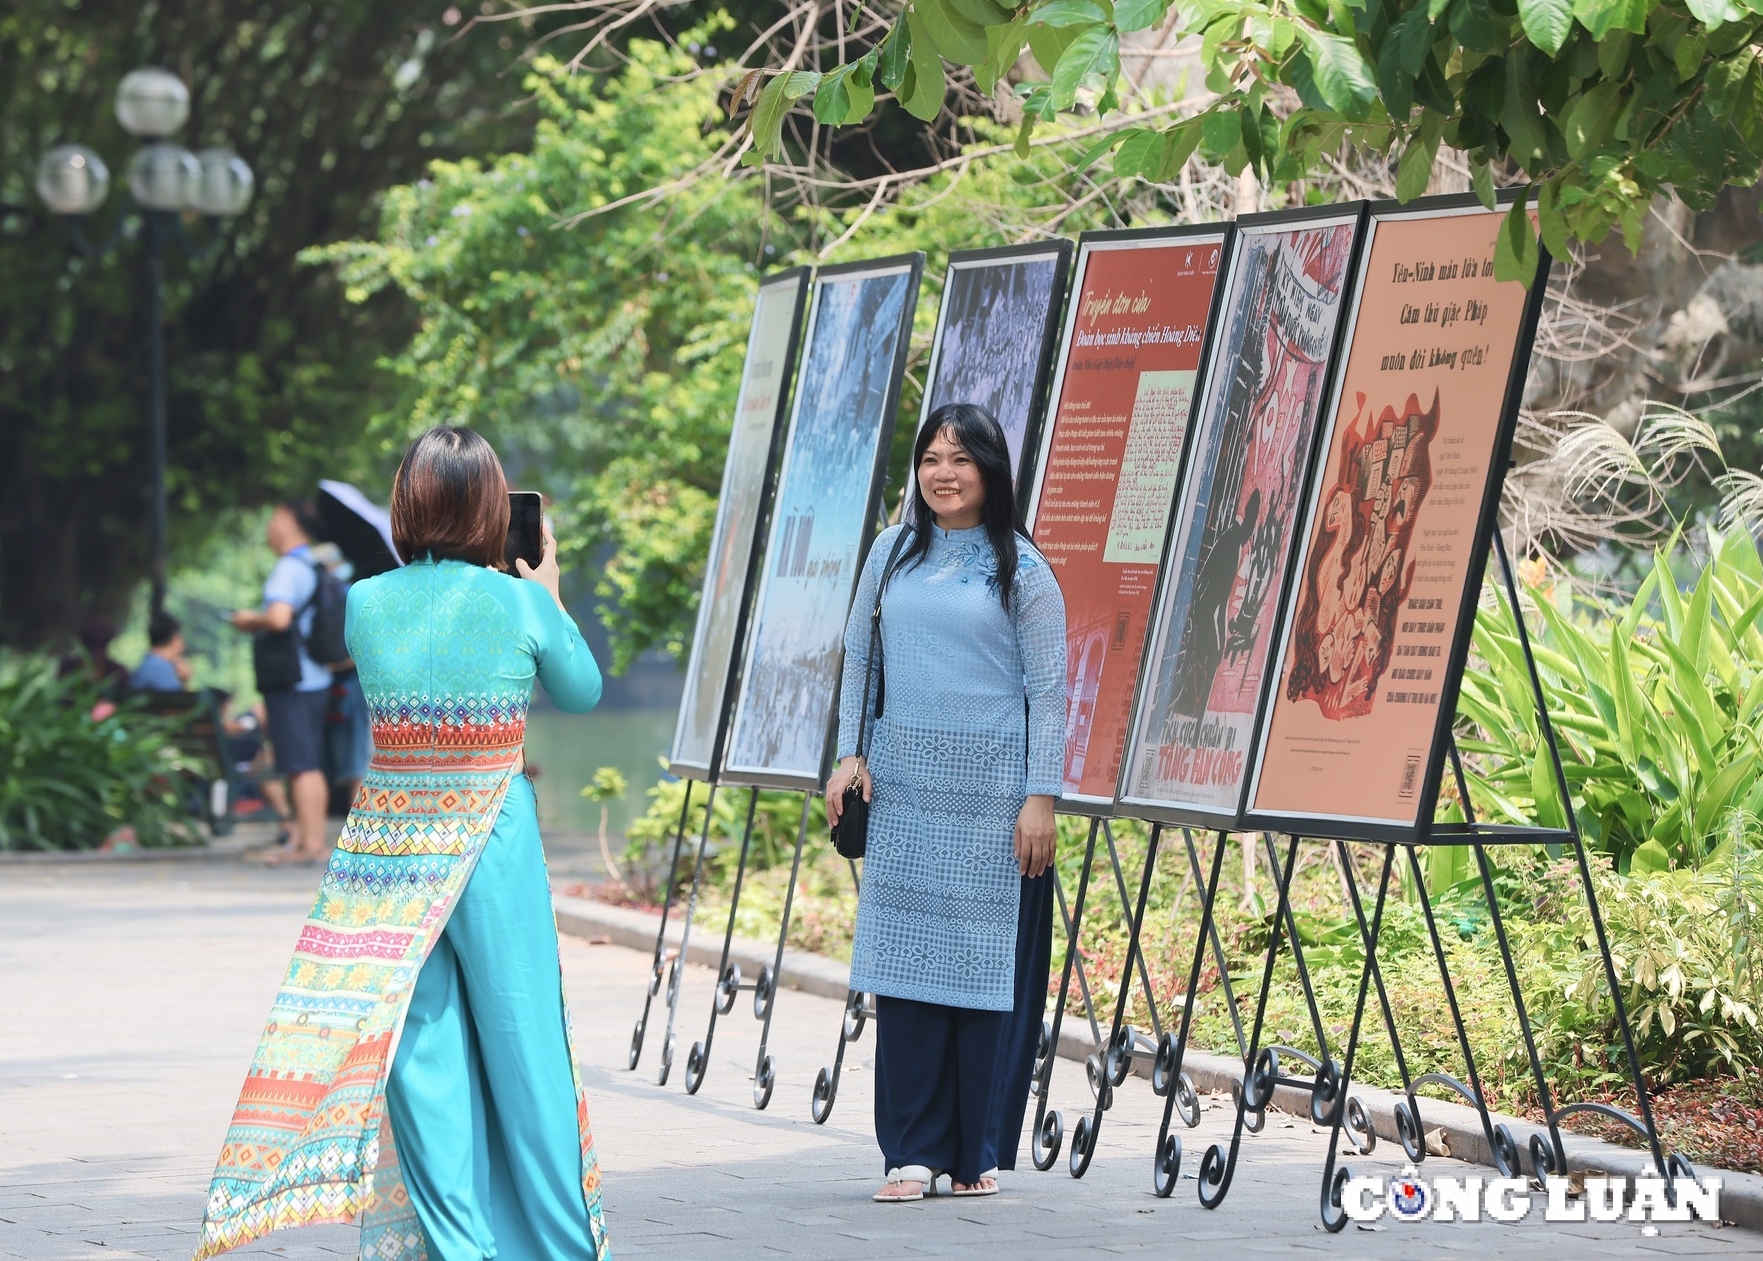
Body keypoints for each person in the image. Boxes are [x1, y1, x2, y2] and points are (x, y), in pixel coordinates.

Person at [193, 426, 612, 1261]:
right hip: (489, 832)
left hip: (387, 844)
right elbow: (582, 690)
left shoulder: (365, 601)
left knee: (419, 1047)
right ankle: (557, 1246)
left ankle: (459, 1246)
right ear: (496, 509)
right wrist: (550, 592)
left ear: (406, 506)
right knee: (522, 1039)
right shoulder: (522, 601)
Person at [827, 403, 1068, 1202]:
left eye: (960, 459)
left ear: (991, 470)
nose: (942, 472)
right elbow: (861, 656)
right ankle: (911, 1149)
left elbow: (1050, 692)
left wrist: (1042, 797)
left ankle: (974, 1152)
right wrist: (847, 753)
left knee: (982, 967)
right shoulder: (891, 552)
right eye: (930, 457)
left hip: (995, 796)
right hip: (902, 789)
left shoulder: (1024, 571)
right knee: (904, 967)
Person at [229, 501, 333, 864]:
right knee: (306, 762)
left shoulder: (288, 568)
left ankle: (310, 845)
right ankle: (306, 841)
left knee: (300, 764)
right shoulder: (311, 563)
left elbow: (278, 618)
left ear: (289, 520)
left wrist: (248, 620)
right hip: (314, 677)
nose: (269, 525)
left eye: (274, 517)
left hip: (294, 680)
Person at [128, 611, 193, 692]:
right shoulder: (160, 669)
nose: (183, 646)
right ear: (174, 640)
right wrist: (185, 682)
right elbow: (179, 702)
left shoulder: (148, 664)